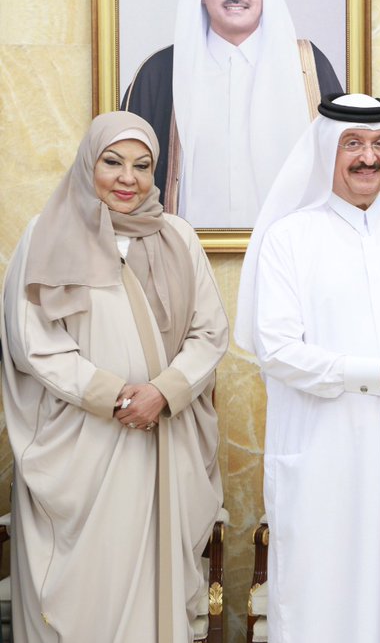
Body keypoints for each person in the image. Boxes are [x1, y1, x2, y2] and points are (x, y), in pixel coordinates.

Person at [236, 93, 380, 642]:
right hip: (323, 460)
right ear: (326, 150)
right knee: (321, 600)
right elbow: (279, 350)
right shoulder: (289, 238)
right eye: (353, 144)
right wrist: (377, 373)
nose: (368, 157)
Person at [0, 111, 227, 642]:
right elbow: (33, 343)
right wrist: (113, 397)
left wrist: (163, 394)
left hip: (162, 441)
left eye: (143, 166)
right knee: (85, 592)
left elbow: (210, 333)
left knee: (154, 587)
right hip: (83, 443)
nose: (128, 178)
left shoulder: (178, 236)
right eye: (113, 162)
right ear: (89, 164)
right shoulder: (47, 233)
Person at [122, 0, 343, 227]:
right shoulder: (160, 72)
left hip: (290, 262)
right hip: (183, 260)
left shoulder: (308, 66)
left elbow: (343, 161)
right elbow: (123, 173)